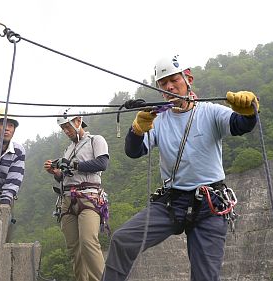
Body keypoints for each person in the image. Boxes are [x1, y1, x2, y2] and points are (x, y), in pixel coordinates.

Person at [101, 55, 259, 281]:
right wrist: (136, 130)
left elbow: (239, 125)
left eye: (174, 80)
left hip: (209, 203)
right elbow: (134, 151)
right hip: (171, 202)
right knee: (122, 239)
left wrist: (248, 111)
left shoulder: (210, 112)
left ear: (188, 79)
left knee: (205, 277)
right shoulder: (157, 119)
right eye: (163, 84)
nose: (169, 87)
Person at [44, 108, 109, 281]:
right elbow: (66, 176)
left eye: (68, 126)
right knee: (74, 248)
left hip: (89, 197)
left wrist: (73, 164)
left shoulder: (95, 140)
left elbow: (102, 163)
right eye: (63, 128)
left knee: (88, 242)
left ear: (78, 121)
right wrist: (57, 172)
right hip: (67, 199)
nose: (66, 131)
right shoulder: (68, 149)